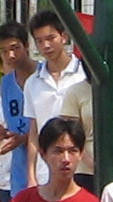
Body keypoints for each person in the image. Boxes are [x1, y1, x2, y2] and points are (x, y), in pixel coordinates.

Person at [22, 11, 87, 185]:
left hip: (81, 170)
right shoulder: (32, 83)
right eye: (39, 41)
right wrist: (31, 175)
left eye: (51, 38)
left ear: (63, 37)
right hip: (45, 173)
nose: (46, 45)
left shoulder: (83, 75)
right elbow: (33, 132)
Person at [0, 20, 35, 202]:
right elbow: (14, 124)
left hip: (45, 169)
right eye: (4, 51)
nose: (10, 55)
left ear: (26, 45)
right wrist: (3, 134)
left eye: (15, 48)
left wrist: (25, 138)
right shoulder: (6, 83)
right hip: (18, 174)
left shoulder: (43, 76)